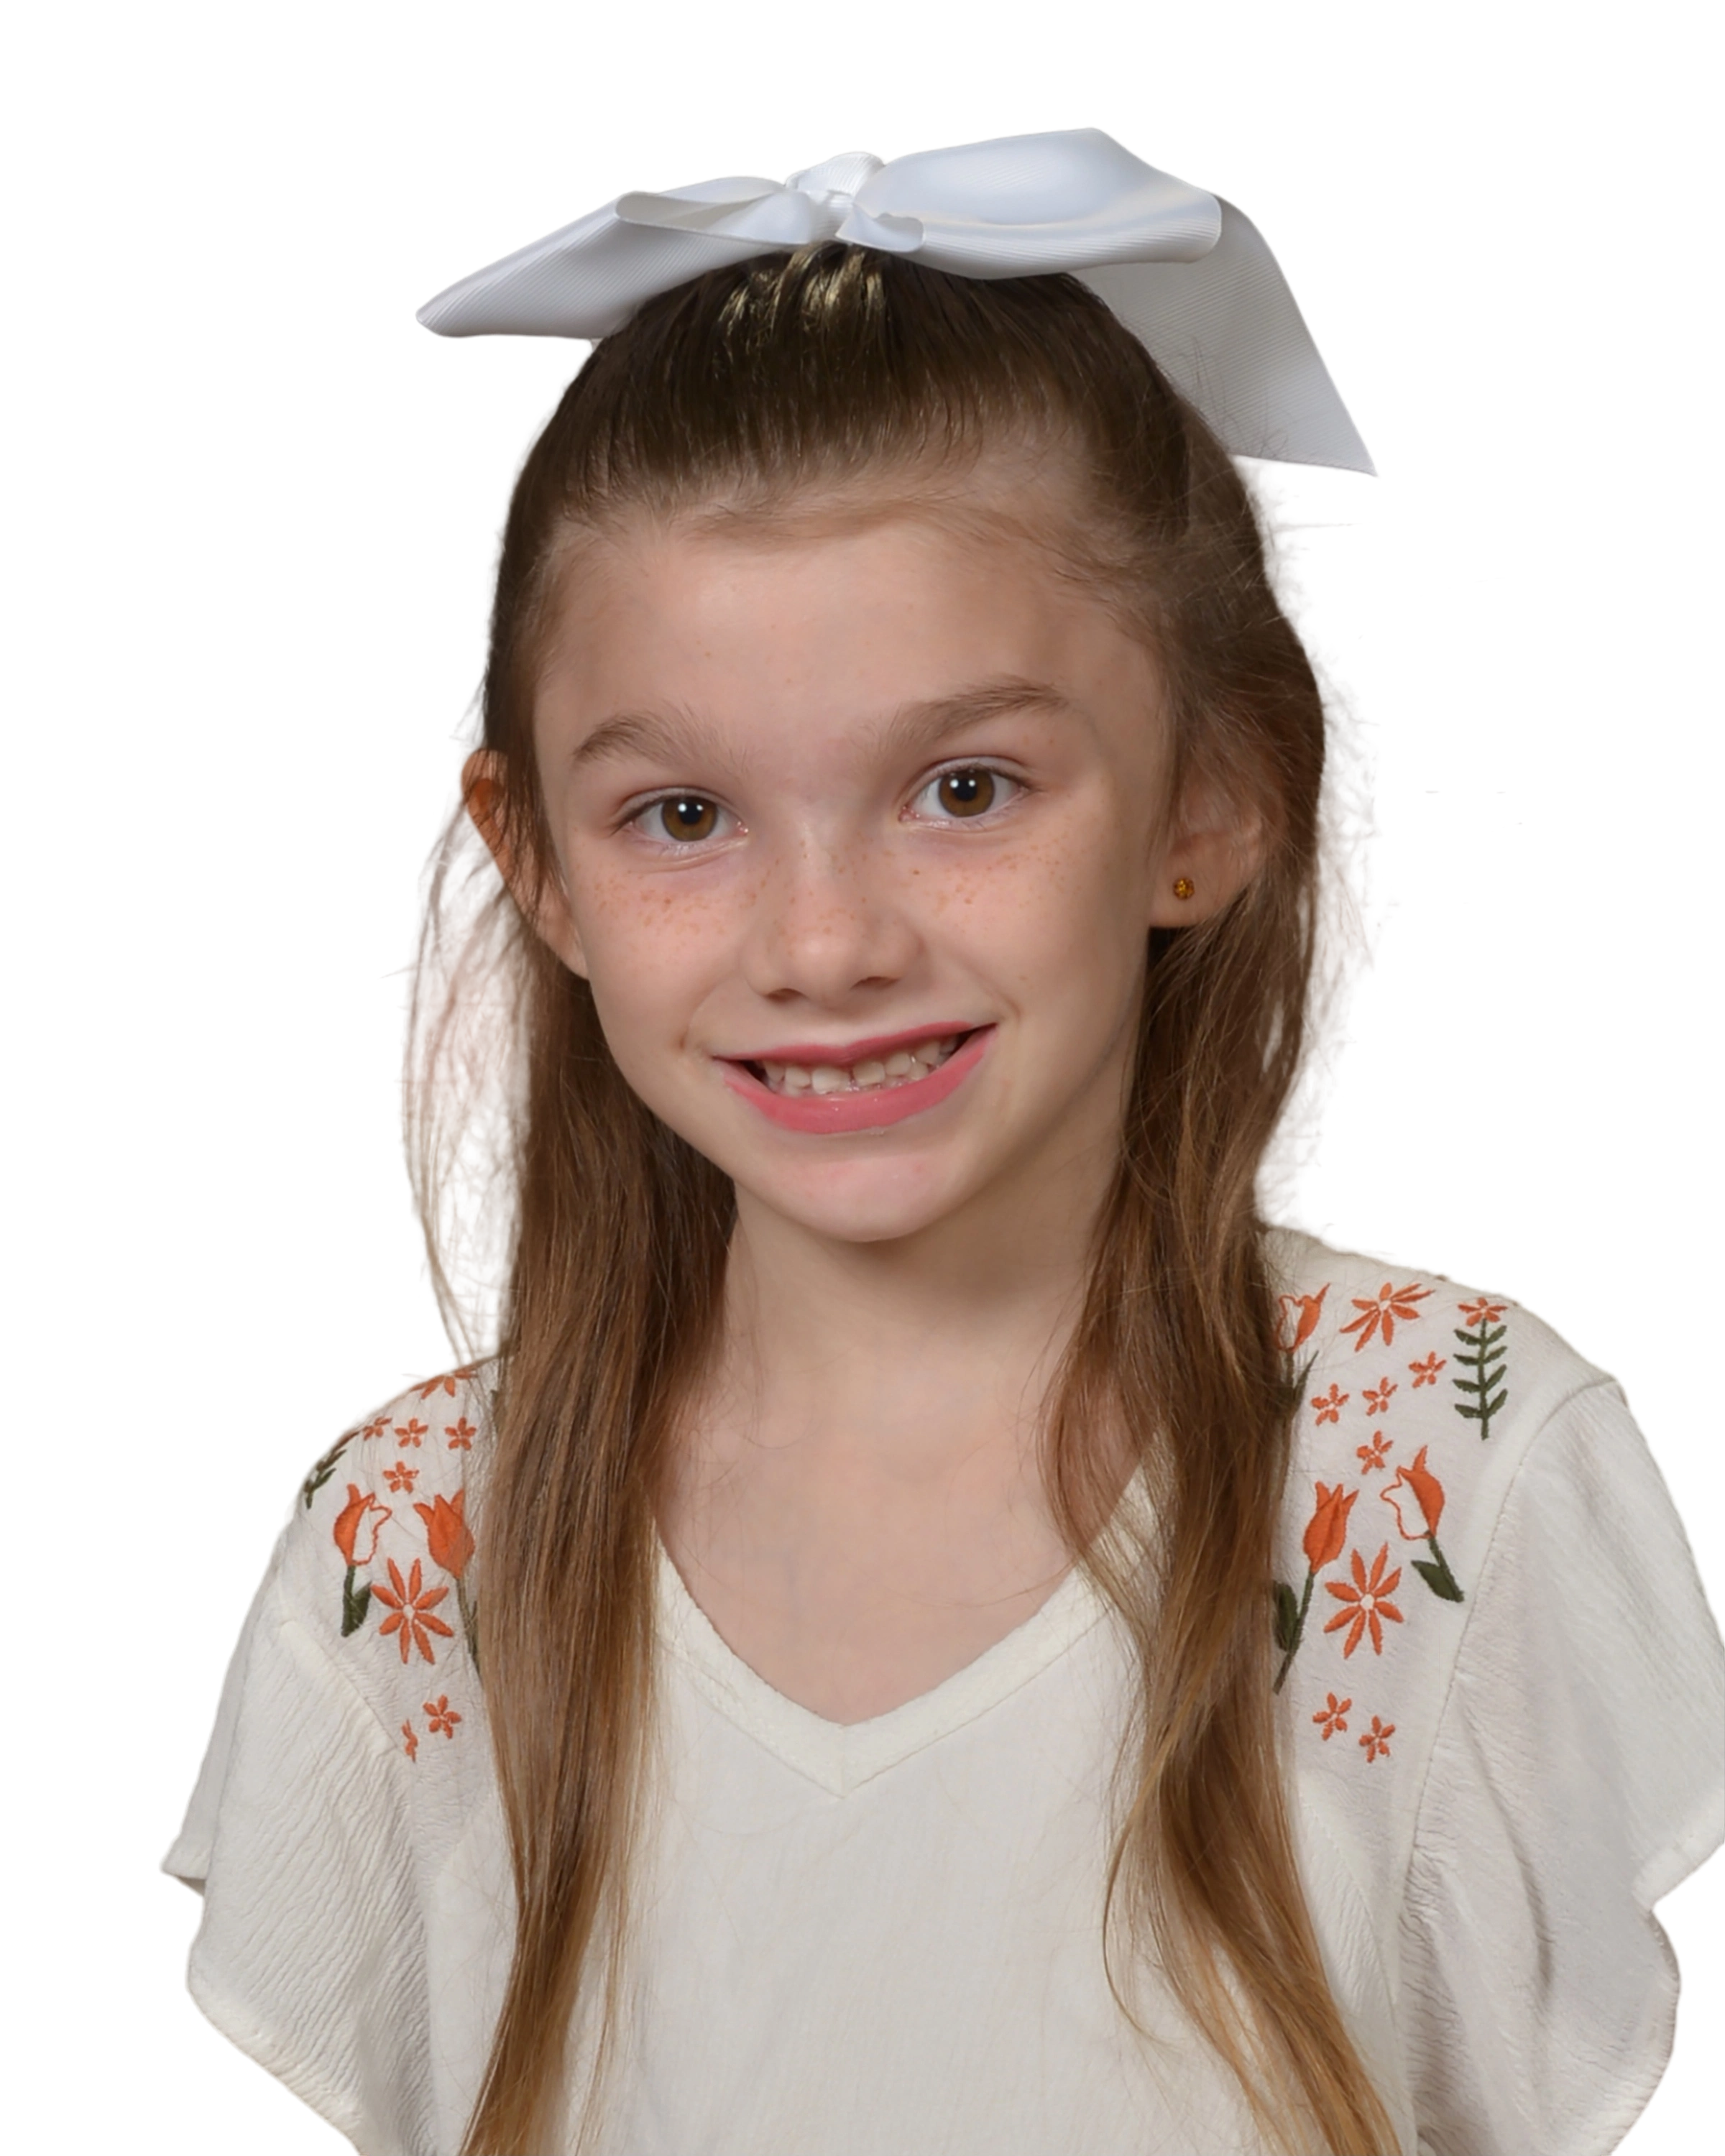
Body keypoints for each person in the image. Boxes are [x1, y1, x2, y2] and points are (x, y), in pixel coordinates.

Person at [156, 130, 1725, 2156]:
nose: (827, 946)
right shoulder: (417, 1551)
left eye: (965, 787)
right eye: (685, 818)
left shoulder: (1442, 1473)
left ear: (1204, 802)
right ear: (534, 865)